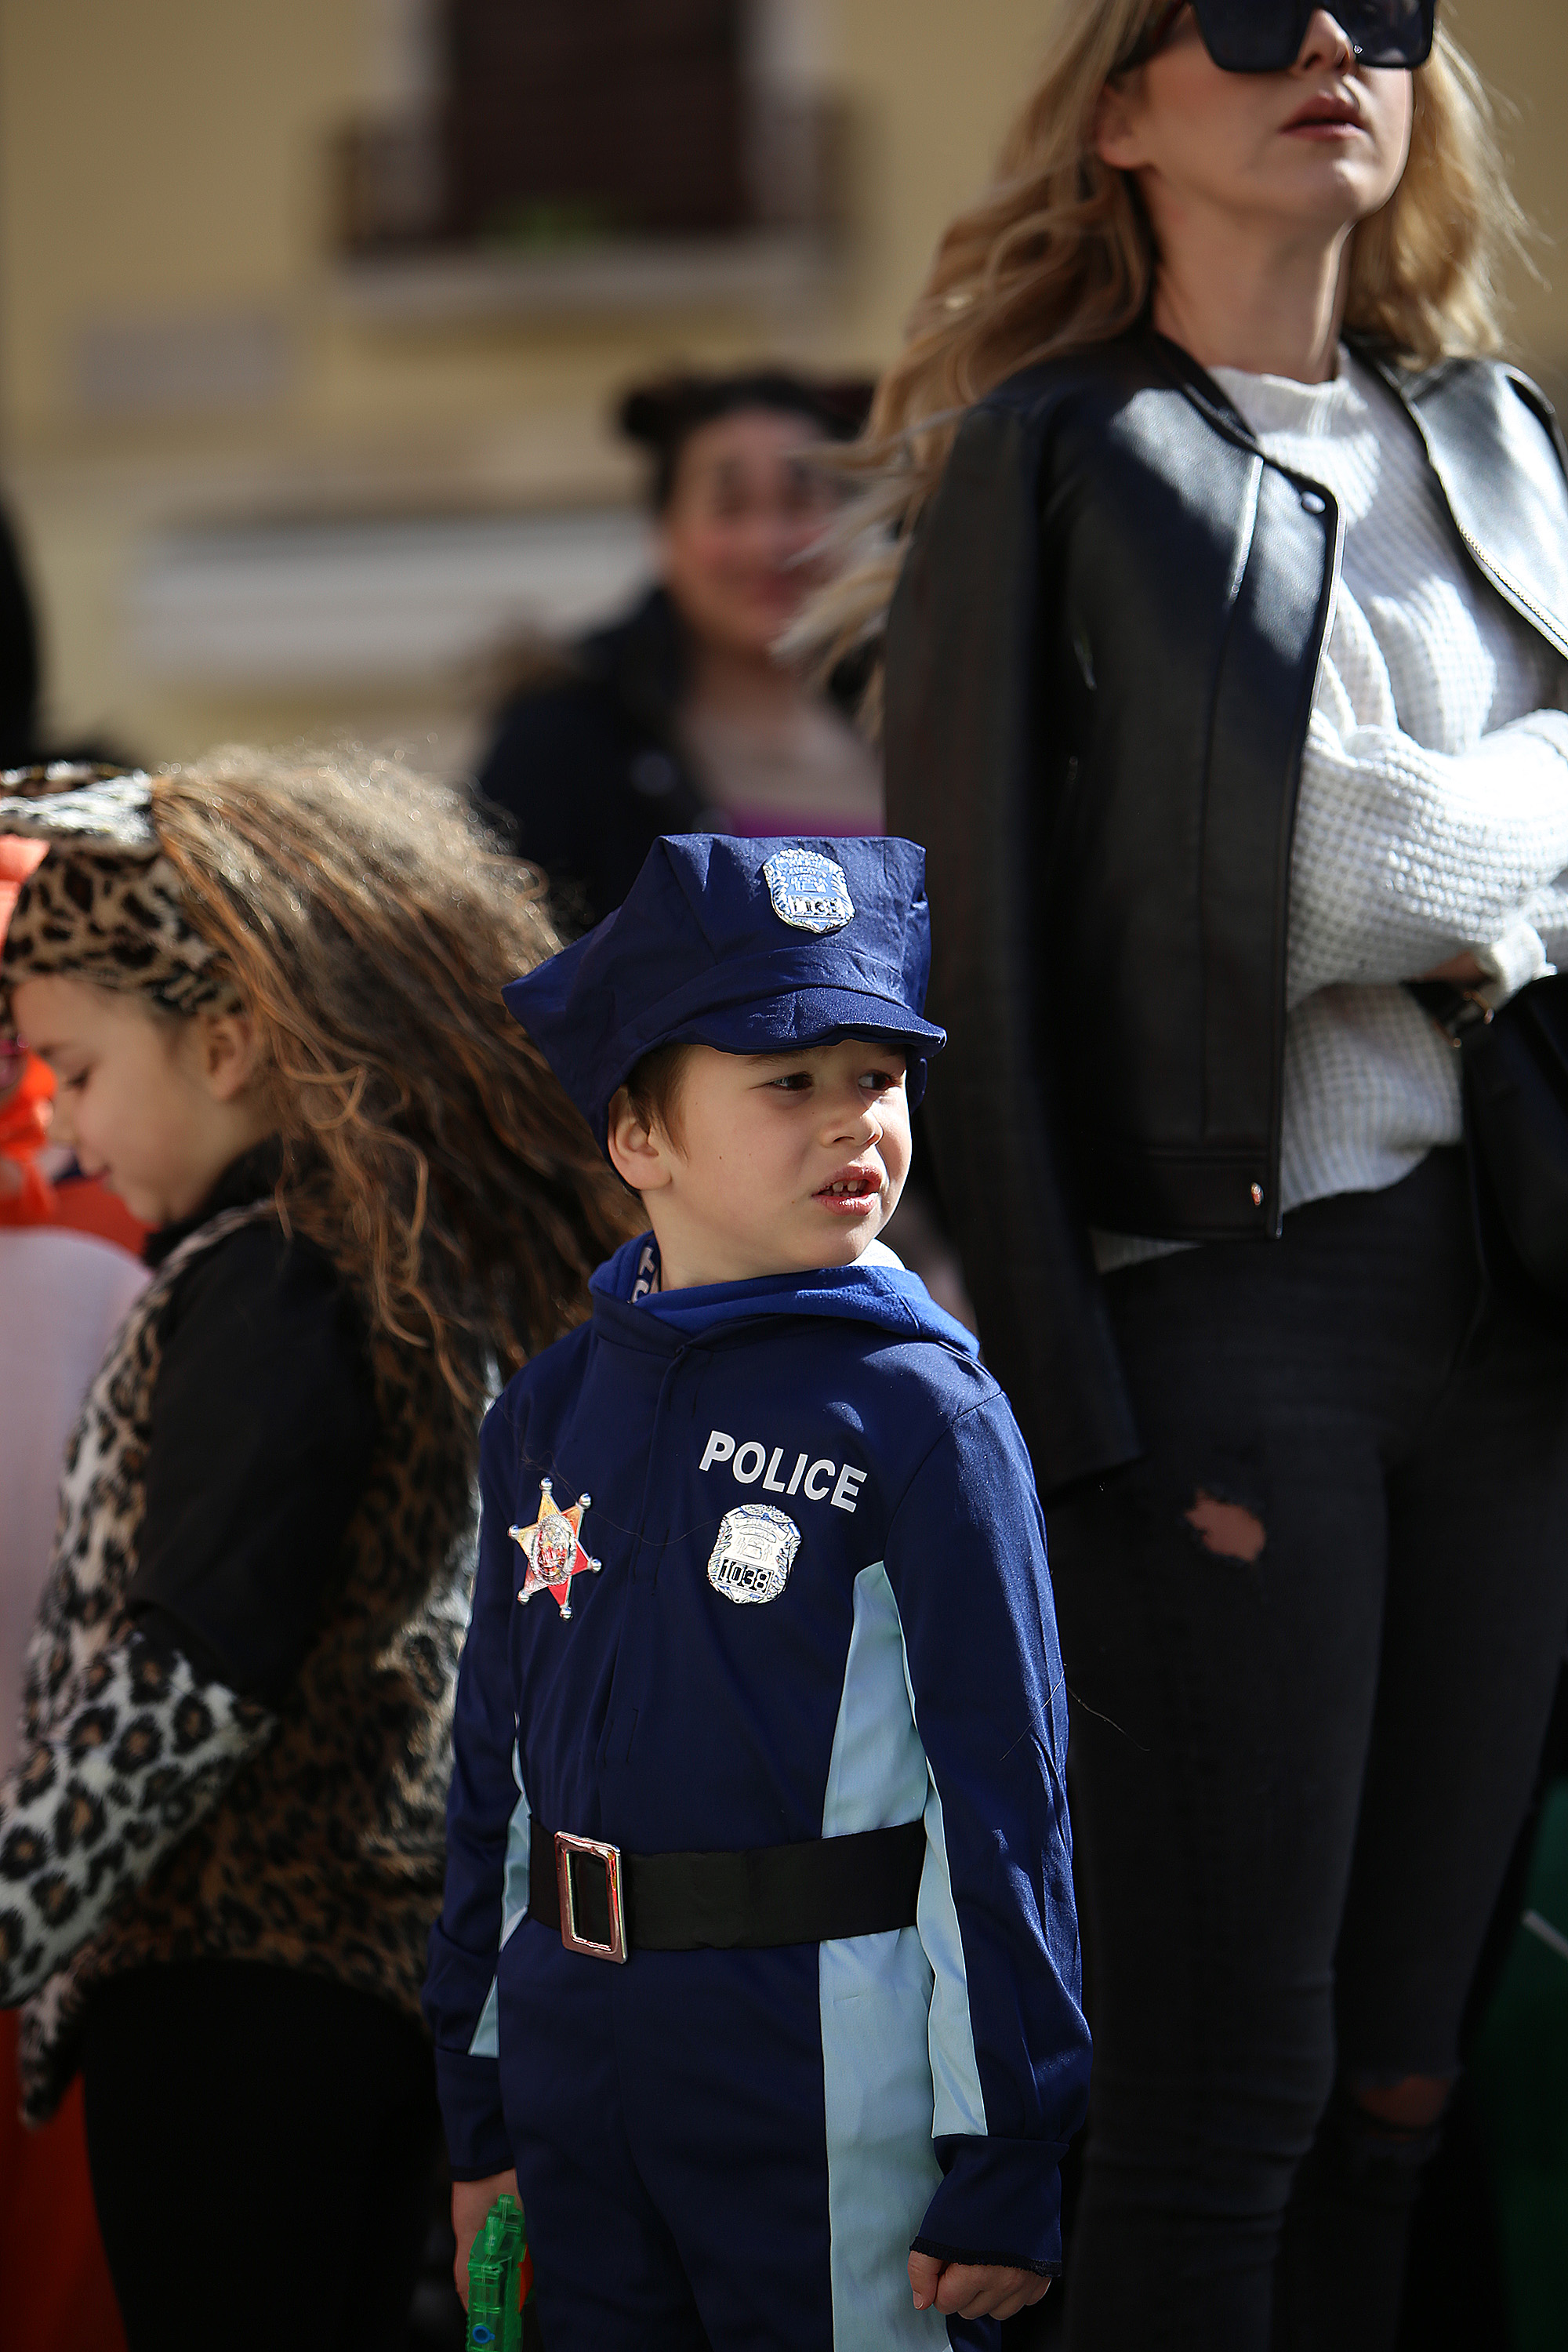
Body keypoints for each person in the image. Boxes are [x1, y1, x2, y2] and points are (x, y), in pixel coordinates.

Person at [829, 3, 1568, 2347]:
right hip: (1215, 1320)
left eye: (1387, 9)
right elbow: (1240, 888)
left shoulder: (1509, 445)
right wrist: (1069, 1418)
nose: (1331, 44)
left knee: (1397, 2086)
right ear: (1126, 110)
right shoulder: (1053, 458)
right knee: (1215, 2099)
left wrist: (1398, 846)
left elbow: (1332, 852)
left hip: (1519, 1310)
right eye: (1248, 13)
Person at [0, 753, 632, 2352]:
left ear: (225, 1042)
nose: (60, 1138)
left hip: (235, 1998)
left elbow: (194, 1677)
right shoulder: (407, 1269)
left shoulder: (267, 1284)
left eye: (72, 1070)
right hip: (380, 1983)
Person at [424, 833, 1090, 2350]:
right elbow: (493, 1780)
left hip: (828, 2085)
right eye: (788, 1079)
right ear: (639, 1138)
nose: (853, 1117)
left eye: (879, 1074)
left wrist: (1009, 2154)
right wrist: (479, 2099)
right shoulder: (543, 1409)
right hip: (576, 2076)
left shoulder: (927, 1417)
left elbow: (1010, 1812)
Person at [477, 370, 882, 931]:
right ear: (663, 533)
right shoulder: (567, 742)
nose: (769, 544)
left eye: (799, 501)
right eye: (730, 507)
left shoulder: (914, 728)